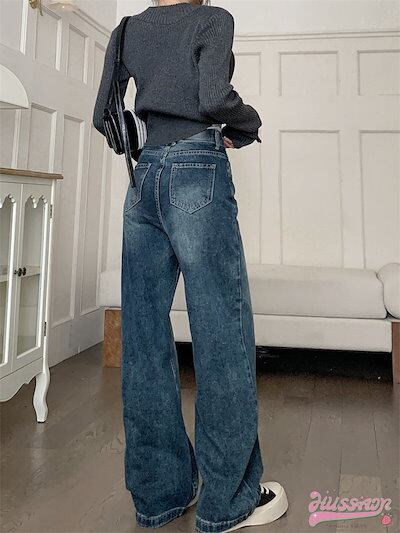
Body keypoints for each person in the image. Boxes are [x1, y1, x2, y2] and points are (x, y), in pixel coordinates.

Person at [92, 1, 288, 532]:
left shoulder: (128, 29)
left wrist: (145, 143)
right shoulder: (212, 20)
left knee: (143, 338)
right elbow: (214, 97)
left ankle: (161, 496)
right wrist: (249, 124)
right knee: (221, 332)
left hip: (143, 182)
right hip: (198, 168)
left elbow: (105, 114)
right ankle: (228, 502)